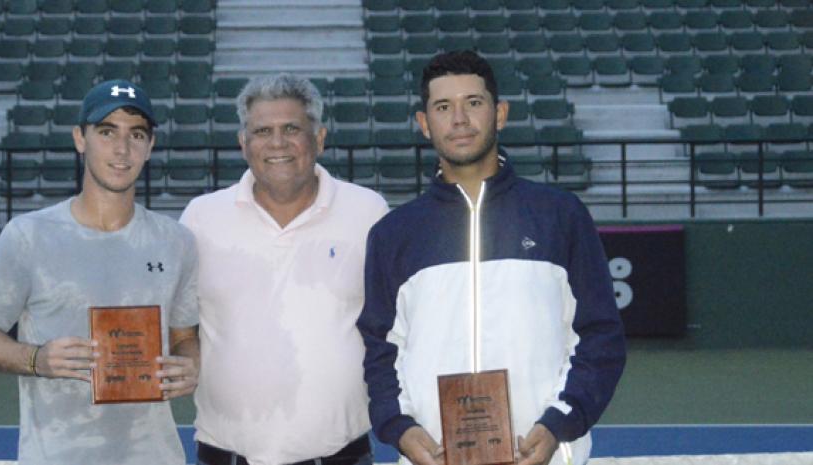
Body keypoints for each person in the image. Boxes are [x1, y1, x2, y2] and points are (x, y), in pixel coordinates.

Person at [357, 50, 626, 465]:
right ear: (424, 123)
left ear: (499, 114)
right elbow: (379, 350)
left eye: (474, 103)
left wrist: (558, 424)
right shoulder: (394, 234)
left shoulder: (560, 215)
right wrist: (401, 428)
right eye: (444, 107)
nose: (460, 119)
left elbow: (600, 337)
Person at [0, 80, 200, 465]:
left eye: (136, 134)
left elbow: (185, 336)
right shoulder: (27, 236)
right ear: (80, 138)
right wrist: (37, 359)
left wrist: (192, 366)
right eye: (107, 132)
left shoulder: (177, 241)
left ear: (150, 146)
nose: (122, 149)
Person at [179, 74, 389, 465]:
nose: (277, 143)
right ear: (243, 143)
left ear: (319, 138)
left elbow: (393, 323)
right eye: (262, 131)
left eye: (292, 128)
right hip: (227, 454)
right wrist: (186, 358)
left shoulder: (368, 212)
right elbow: (182, 327)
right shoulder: (200, 218)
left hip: (341, 454)